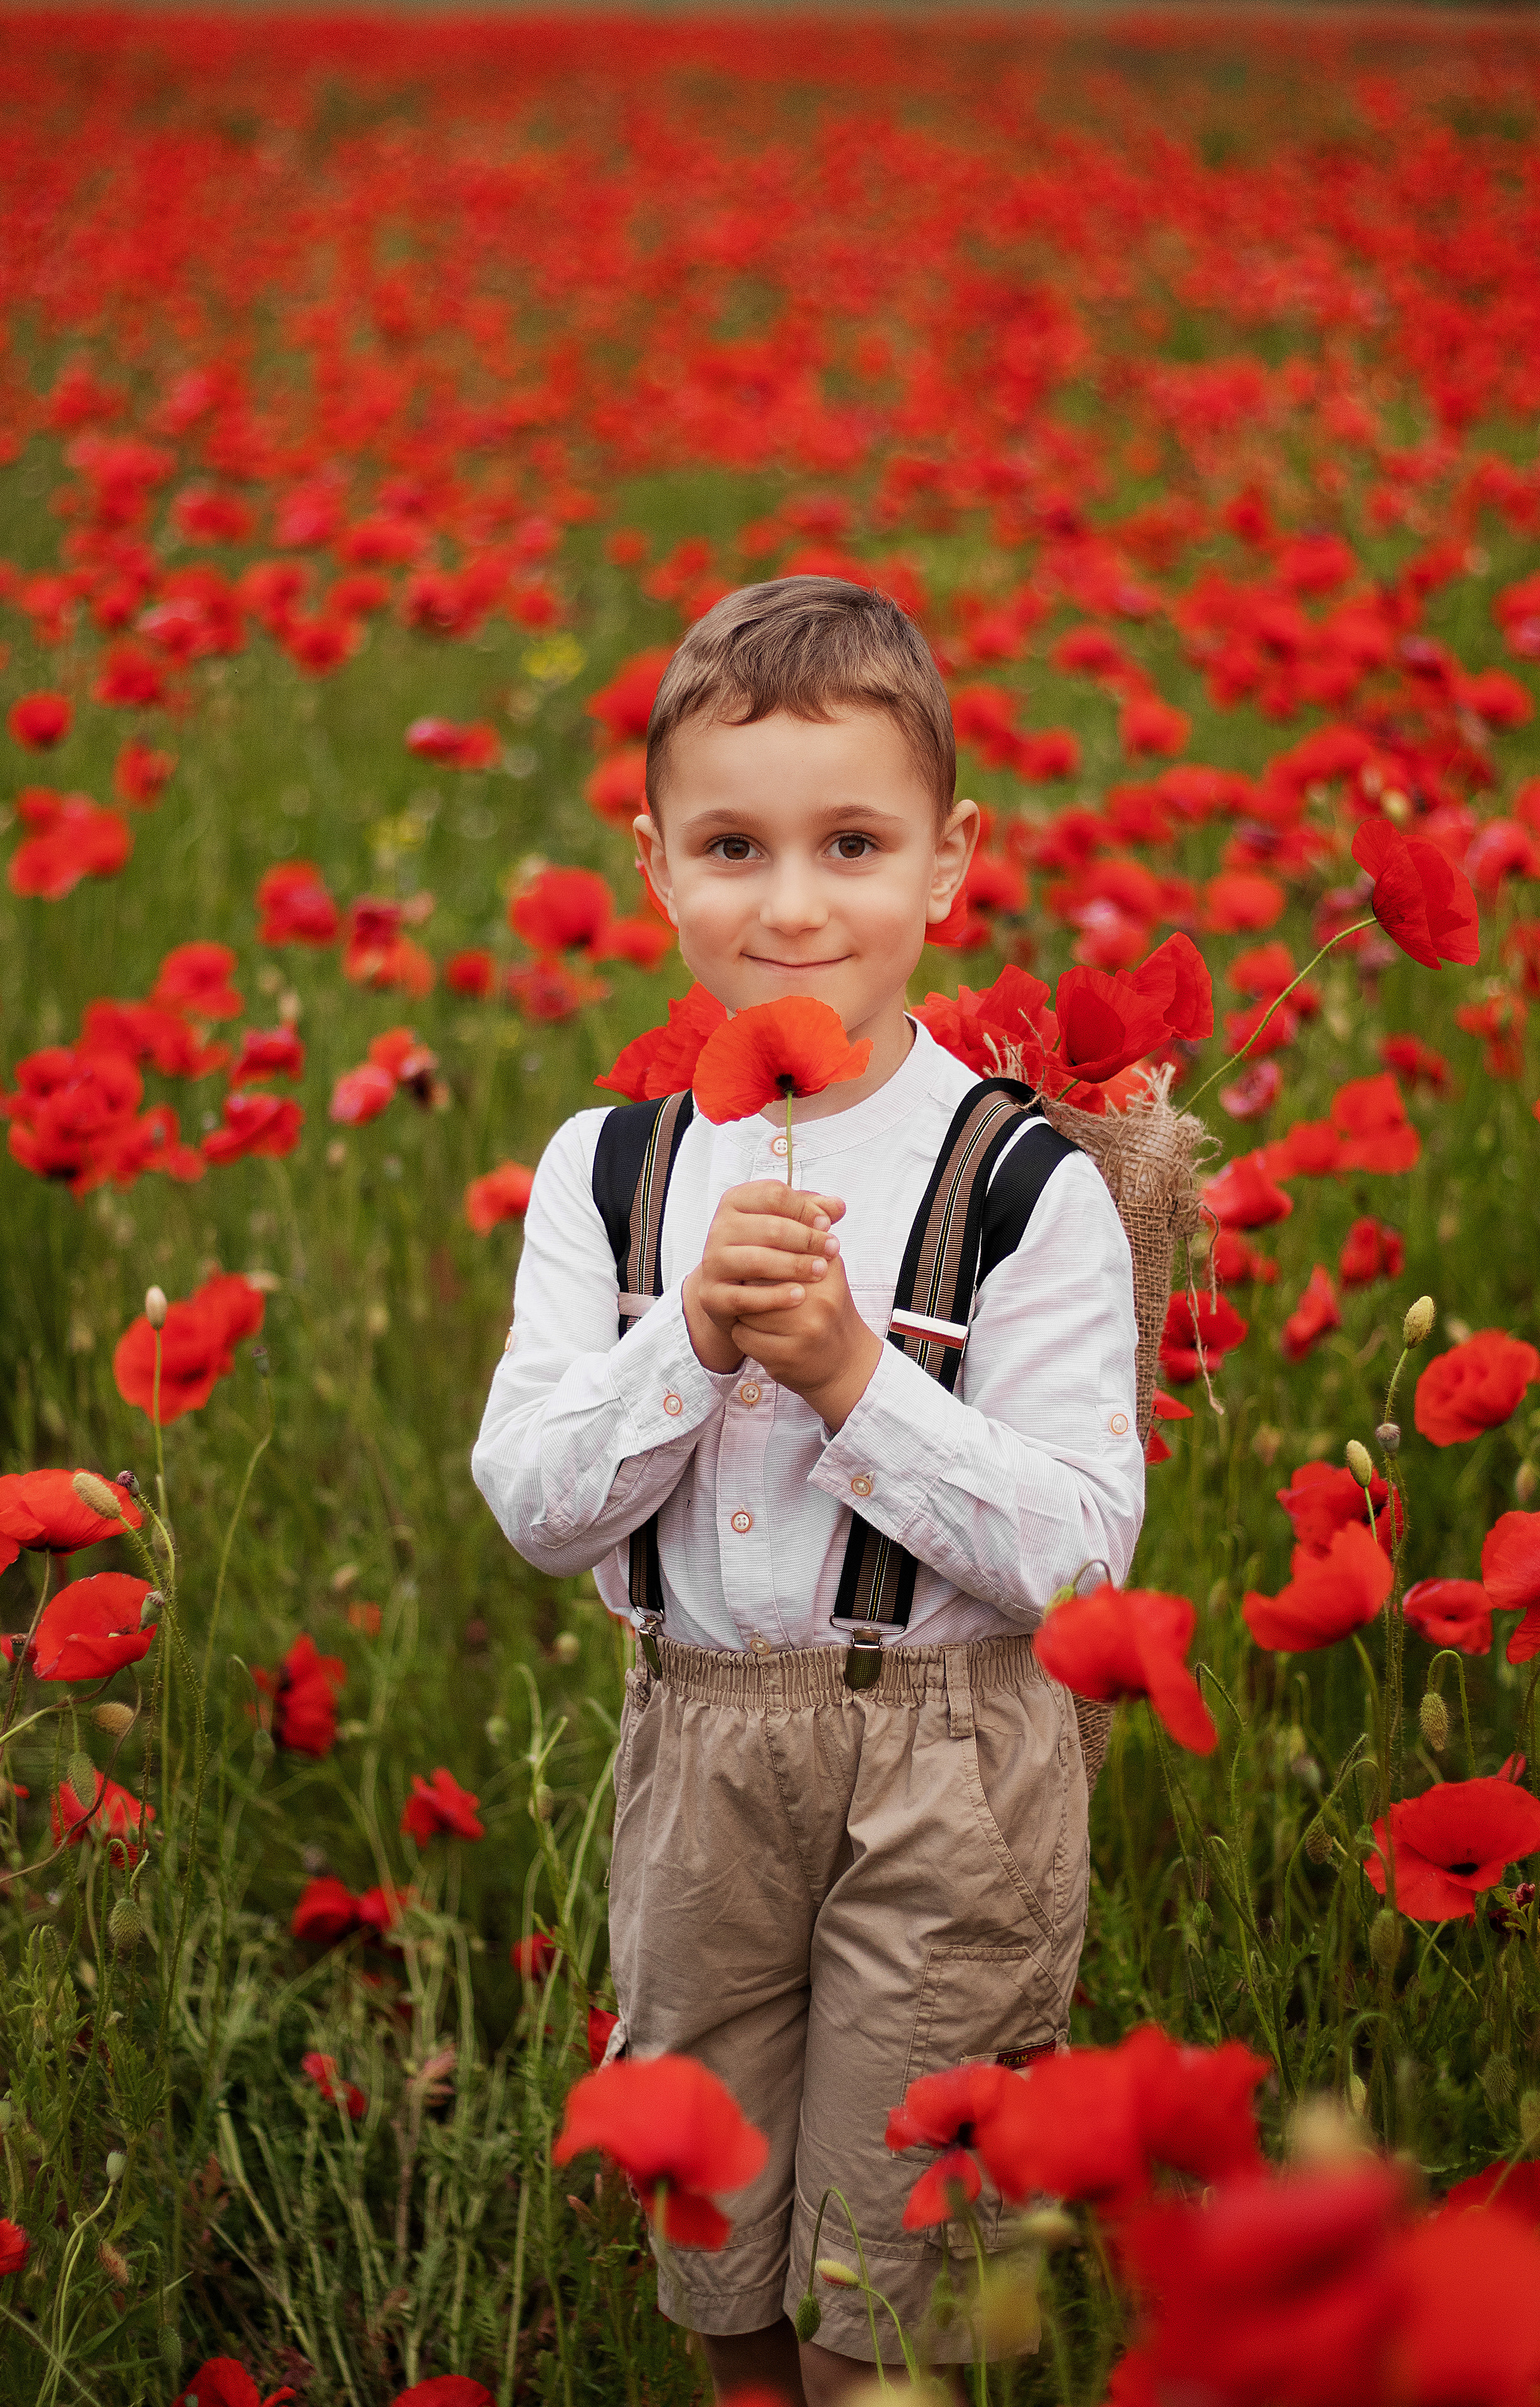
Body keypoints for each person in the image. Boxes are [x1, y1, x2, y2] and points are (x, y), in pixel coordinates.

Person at [473, 576, 1145, 2401]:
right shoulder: (607, 1172)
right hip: (697, 1751)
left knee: (888, 2275)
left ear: (948, 863)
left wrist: (854, 1372)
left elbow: (1081, 1562)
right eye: (731, 848)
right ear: (655, 868)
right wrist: (687, 1343)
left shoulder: (1024, 1185)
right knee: (722, 2256)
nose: (789, 907)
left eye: (852, 844)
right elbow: (534, 1502)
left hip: (946, 1769)